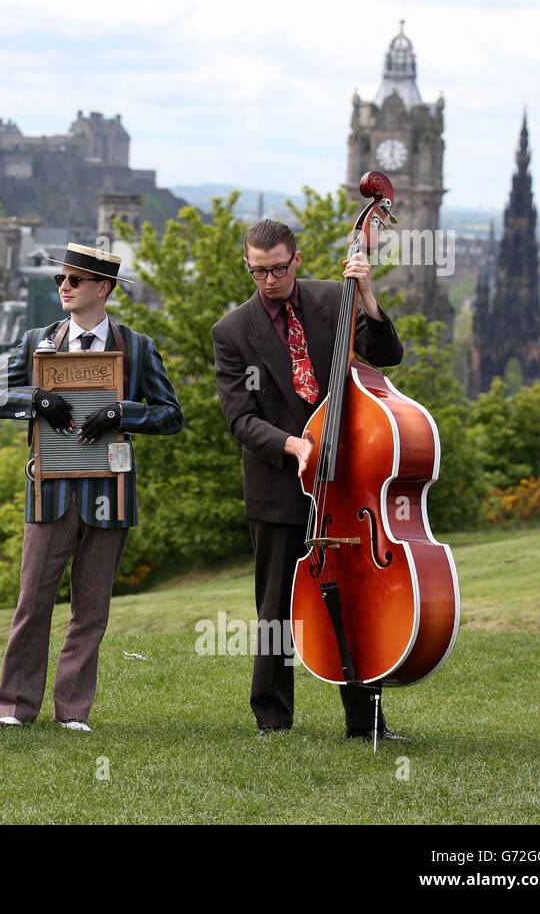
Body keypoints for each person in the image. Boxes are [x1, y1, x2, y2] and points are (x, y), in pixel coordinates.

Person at [210, 218, 408, 741]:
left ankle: (365, 721)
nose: (269, 280)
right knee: (276, 605)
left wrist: (367, 295)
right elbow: (240, 419)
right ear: (247, 267)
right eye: (258, 272)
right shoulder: (231, 332)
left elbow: (387, 356)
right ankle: (273, 719)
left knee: (354, 595)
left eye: (278, 269)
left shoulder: (336, 299)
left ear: (295, 259)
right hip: (278, 485)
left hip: (344, 483)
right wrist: (293, 445)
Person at [0, 243, 183, 733]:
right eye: (60, 280)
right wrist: (37, 399)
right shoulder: (37, 341)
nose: (64, 287)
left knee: (91, 609)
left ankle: (72, 710)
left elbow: (171, 415)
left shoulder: (137, 347)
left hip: (111, 491)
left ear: (103, 288)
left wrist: (121, 412)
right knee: (33, 602)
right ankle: (14, 708)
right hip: (49, 489)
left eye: (74, 280)